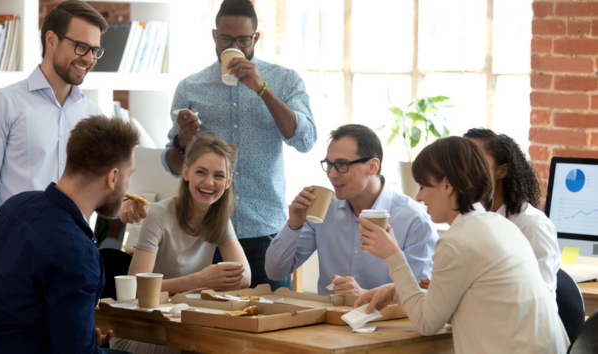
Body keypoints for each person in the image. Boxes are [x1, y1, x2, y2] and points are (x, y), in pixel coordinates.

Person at [355, 136, 568, 354]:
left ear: (447, 185)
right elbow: (455, 305)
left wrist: (393, 255)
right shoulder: (500, 225)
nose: (418, 196)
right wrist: (397, 289)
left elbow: (426, 323)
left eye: (423, 186)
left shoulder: (457, 241)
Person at [162, 0, 316, 291]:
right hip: (206, 234)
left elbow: (305, 140)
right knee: (204, 327)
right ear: (213, 35)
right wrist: (183, 139)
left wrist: (262, 89)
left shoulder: (284, 80)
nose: (233, 46)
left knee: (272, 326)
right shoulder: (190, 87)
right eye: (225, 38)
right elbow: (173, 166)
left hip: (266, 231)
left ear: (256, 38)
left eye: (243, 40)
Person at [0, 0, 145, 236]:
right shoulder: (3, 104)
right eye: (81, 46)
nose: (89, 59)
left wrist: (119, 209)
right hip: (17, 250)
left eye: (95, 50)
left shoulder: (94, 115)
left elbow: (94, 190)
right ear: (51, 40)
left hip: (72, 251)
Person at [0, 116, 139, 353]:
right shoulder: (76, 250)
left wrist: (84, 339)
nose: (128, 186)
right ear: (113, 177)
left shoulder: (14, 206)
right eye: (130, 175)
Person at [111, 132, 250, 354]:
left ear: (229, 181)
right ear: (186, 172)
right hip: (144, 330)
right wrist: (199, 280)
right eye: (201, 172)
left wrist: (198, 285)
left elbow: (244, 278)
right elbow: (136, 289)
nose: (209, 182)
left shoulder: (220, 220)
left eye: (219, 175)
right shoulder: (157, 214)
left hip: (184, 326)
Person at [265, 124, 437, 295]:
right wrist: (293, 225)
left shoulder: (414, 220)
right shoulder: (323, 210)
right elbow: (275, 272)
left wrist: (364, 296)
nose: (332, 174)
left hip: (385, 321)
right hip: (328, 321)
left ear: (372, 166)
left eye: (341, 164)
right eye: (329, 164)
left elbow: (419, 298)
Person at [463, 128, 560, 307]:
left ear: (502, 170)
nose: (464, 171)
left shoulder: (532, 225)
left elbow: (539, 299)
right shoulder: (469, 222)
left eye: (476, 161)